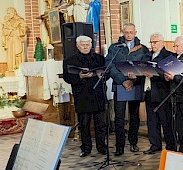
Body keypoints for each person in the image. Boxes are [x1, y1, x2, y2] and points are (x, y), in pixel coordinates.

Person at [106, 23, 150, 156]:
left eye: (131, 32)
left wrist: (133, 80)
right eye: (126, 32)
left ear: (135, 32)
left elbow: (145, 66)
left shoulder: (142, 49)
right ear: (122, 32)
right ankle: (119, 146)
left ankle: (133, 142)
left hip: (135, 85)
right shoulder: (115, 47)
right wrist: (122, 80)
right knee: (119, 117)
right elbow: (109, 65)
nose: (129, 34)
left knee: (134, 116)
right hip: (120, 85)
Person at [62, 35, 107, 157]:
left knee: (100, 124)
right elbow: (67, 77)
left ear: (91, 45)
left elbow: (106, 73)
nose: (86, 47)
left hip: (98, 94)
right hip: (82, 95)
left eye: (88, 44)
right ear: (78, 46)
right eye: (83, 44)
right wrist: (79, 77)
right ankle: (86, 148)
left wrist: (101, 75)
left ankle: (102, 146)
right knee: (84, 124)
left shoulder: (100, 59)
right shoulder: (69, 60)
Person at [143, 32, 176, 154]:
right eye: (151, 42)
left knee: (166, 121)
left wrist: (155, 75)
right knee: (152, 121)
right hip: (149, 92)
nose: (152, 44)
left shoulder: (169, 56)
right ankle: (155, 145)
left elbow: (171, 75)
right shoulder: (147, 56)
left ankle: (171, 146)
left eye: (155, 42)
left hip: (163, 93)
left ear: (162, 42)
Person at [2, 7, 26, 72]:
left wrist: (15, 30)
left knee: (18, 55)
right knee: (10, 56)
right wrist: (9, 31)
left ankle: (19, 70)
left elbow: (23, 31)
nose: (8, 15)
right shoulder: (6, 21)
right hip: (9, 41)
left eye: (9, 13)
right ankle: (11, 70)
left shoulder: (20, 20)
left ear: (14, 13)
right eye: (7, 13)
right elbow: (4, 31)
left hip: (17, 40)